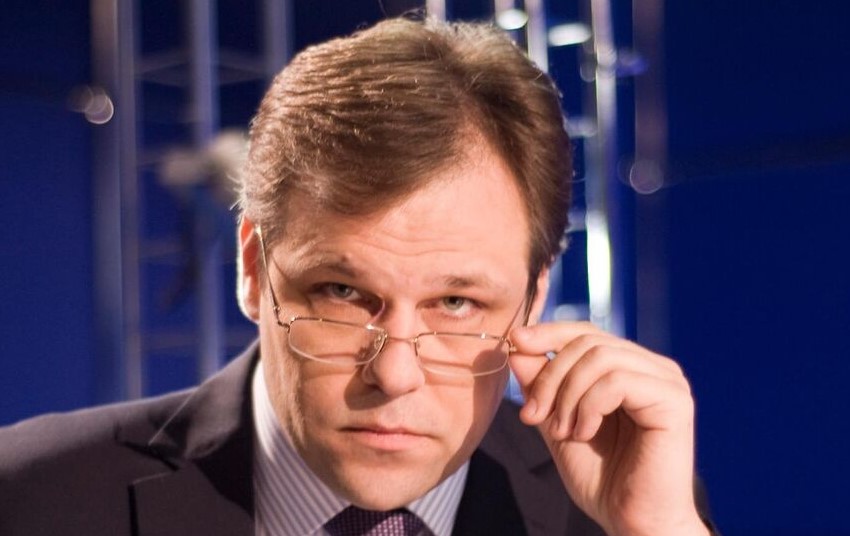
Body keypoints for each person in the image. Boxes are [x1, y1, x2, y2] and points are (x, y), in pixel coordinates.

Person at [0, 16, 716, 536]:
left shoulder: (626, 509)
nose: (396, 375)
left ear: (534, 300)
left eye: (457, 302)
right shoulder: (32, 500)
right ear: (252, 269)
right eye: (342, 294)